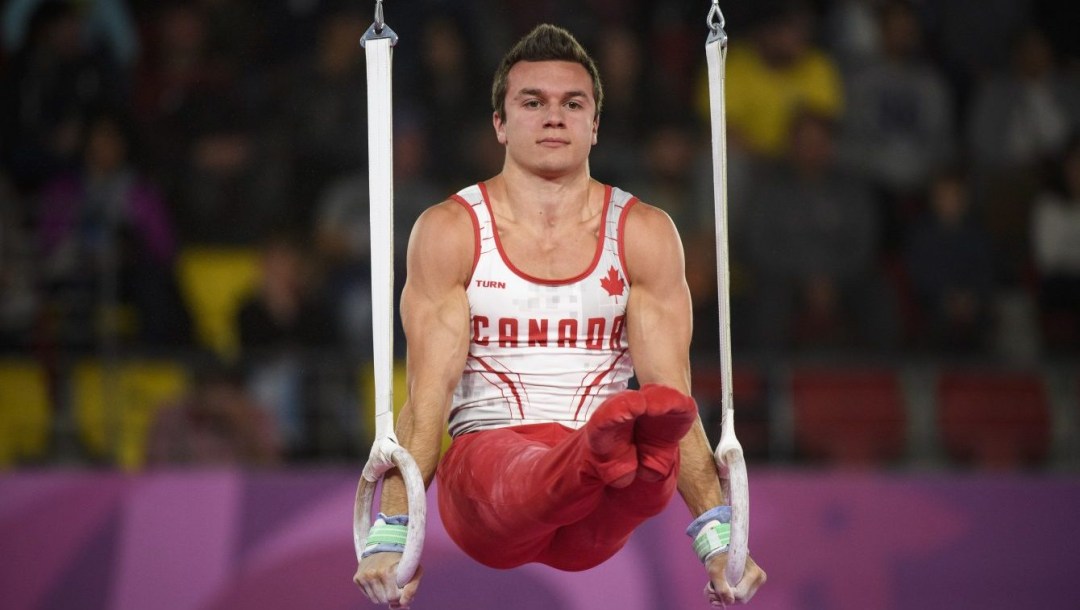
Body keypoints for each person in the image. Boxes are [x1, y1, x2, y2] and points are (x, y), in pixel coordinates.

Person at [353, 25, 766, 608]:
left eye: (573, 103)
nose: (554, 116)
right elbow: (427, 405)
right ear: (499, 123)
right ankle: (605, 450)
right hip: (488, 480)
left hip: (595, 508)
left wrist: (721, 540)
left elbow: (677, 401)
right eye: (532, 102)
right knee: (601, 456)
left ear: (594, 125)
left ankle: (614, 454)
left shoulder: (644, 233)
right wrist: (392, 534)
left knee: (658, 451)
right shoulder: (451, 231)